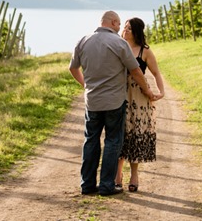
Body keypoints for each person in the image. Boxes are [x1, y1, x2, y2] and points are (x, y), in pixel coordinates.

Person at [69, 11, 157, 196]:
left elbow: (73, 68)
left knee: (91, 141)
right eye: (119, 25)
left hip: (92, 101)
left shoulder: (83, 41)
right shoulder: (119, 43)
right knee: (112, 141)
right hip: (114, 102)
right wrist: (148, 91)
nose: (121, 28)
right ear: (114, 23)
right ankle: (107, 186)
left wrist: (86, 85)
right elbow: (135, 71)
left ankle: (87, 185)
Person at [115, 17, 165, 193]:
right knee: (120, 133)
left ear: (136, 31)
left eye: (129, 28)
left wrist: (161, 91)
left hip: (139, 96)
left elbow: (156, 73)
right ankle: (118, 174)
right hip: (120, 94)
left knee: (136, 134)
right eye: (124, 28)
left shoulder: (145, 51)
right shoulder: (119, 46)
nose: (125, 31)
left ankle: (134, 175)